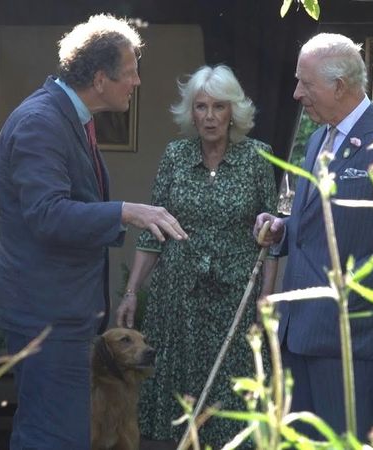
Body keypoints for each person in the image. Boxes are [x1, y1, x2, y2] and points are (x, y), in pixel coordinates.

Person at [0, 14, 188, 449]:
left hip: (64, 309)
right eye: (131, 72)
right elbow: (47, 214)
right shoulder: (41, 122)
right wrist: (125, 212)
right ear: (100, 78)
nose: (136, 83)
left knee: (62, 432)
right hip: (45, 312)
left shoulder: (69, 117)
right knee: (51, 435)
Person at [254, 33, 373, 439]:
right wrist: (282, 228)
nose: (297, 93)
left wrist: (351, 286)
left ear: (339, 86)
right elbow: (316, 225)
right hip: (297, 335)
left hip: (348, 341)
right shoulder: (318, 138)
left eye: (306, 83)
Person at [115, 65, 279, 446]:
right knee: (179, 404)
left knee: (233, 404)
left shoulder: (259, 158)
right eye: (201, 107)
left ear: (233, 112)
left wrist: (265, 298)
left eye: (219, 107)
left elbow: (272, 239)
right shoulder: (175, 156)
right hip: (178, 301)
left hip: (235, 303)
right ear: (191, 113)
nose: (209, 116)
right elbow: (152, 232)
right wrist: (132, 291)